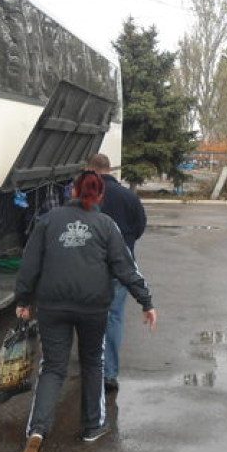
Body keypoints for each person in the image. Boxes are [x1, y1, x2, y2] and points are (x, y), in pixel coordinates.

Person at [14, 171, 157, 452]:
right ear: (100, 196)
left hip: (52, 305)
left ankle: (37, 432)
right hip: (93, 307)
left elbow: (30, 263)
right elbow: (125, 266)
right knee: (93, 362)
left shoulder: (48, 221)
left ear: (72, 191)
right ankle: (92, 426)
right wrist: (146, 301)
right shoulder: (106, 225)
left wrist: (23, 300)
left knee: (53, 367)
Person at [86, 154, 147, 394]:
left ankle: (91, 368)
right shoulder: (129, 196)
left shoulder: (86, 196)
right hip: (121, 265)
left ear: (92, 170)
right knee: (114, 316)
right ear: (109, 169)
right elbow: (140, 225)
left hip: (91, 265)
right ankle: (109, 374)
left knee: (88, 316)